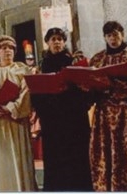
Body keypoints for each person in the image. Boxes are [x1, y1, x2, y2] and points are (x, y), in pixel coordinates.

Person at [88, 21, 127, 191]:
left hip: (125, 111)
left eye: (115, 35)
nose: (112, 39)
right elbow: (90, 83)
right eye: (109, 35)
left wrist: (108, 85)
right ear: (105, 38)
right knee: (106, 150)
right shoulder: (98, 58)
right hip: (104, 114)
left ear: (122, 35)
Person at [31, 27, 93, 191]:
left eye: (59, 39)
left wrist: (73, 89)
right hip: (52, 120)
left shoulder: (74, 62)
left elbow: (86, 88)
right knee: (55, 159)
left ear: (64, 42)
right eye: (53, 39)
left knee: (78, 158)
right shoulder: (42, 66)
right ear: (47, 43)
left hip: (74, 117)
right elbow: (36, 93)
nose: (56, 42)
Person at [0, 35, 36, 191]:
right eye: (4, 48)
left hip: (15, 121)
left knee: (18, 159)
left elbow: (26, 92)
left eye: (11, 48)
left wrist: (10, 108)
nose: (8, 51)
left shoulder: (23, 69)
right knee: (1, 160)